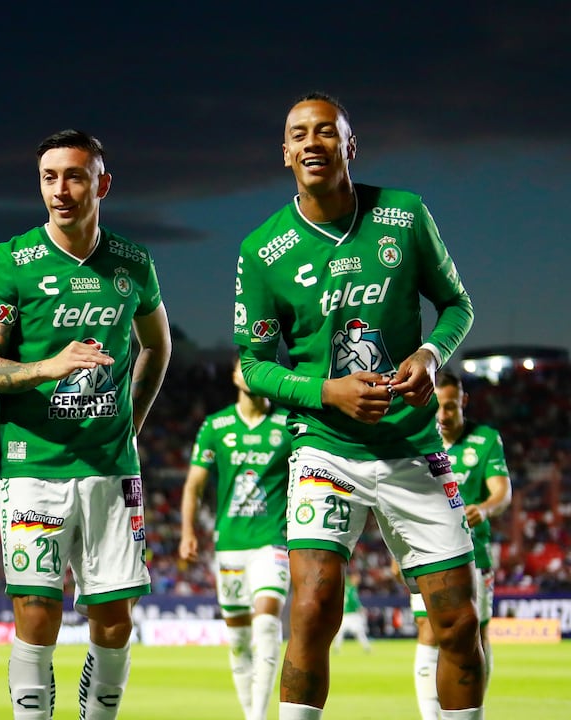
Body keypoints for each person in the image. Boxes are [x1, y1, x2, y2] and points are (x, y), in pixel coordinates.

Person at [233, 92, 483, 720]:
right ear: (286, 153)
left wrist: (429, 356)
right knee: (314, 610)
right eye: (299, 134)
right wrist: (326, 391)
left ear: (350, 144)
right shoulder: (263, 249)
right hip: (325, 448)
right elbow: (254, 365)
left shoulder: (403, 214)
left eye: (326, 131)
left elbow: (456, 304)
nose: (312, 142)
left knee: (457, 623)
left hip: (412, 446)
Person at [0, 129, 172, 720]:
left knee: (113, 619)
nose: (60, 189)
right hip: (36, 469)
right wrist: (51, 366)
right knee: (37, 609)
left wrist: (131, 422)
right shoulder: (11, 261)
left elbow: (156, 348)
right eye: (49, 177)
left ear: (102, 183)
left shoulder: (133, 263)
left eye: (75, 175)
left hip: (111, 468)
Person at [179, 361, 291, 720]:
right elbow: (194, 485)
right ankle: (250, 713)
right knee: (240, 640)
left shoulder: (286, 425)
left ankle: (259, 716)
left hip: (271, 540)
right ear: (234, 376)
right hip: (229, 544)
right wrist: (187, 532)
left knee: (268, 622)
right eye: (246, 368)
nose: (251, 375)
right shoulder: (217, 426)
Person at [405, 370, 511, 720]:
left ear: (462, 401)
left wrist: (485, 507)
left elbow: (501, 491)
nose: (442, 415)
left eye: (450, 407)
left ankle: (471, 708)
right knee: (428, 629)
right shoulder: (415, 438)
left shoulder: (485, 439)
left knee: (475, 635)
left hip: (473, 555)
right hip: (424, 551)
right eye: (437, 406)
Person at [330, 571, 371, 654]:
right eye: (357, 577)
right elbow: (353, 600)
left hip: (344, 613)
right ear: (353, 577)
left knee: (340, 632)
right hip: (352, 615)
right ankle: (366, 647)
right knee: (359, 631)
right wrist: (360, 609)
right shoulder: (352, 588)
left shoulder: (346, 586)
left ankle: (336, 648)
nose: (358, 580)